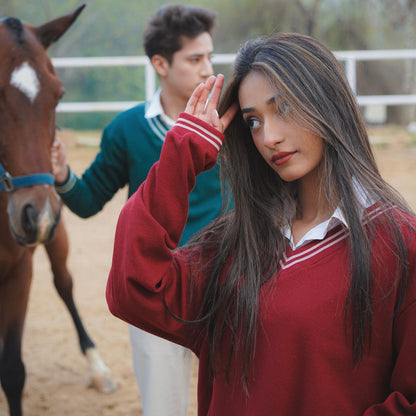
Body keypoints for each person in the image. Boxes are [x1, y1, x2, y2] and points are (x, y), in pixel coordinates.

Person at [106, 32, 416, 415]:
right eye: (253, 121)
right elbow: (133, 289)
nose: (269, 137)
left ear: (327, 102)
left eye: (283, 107)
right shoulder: (234, 241)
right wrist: (181, 155)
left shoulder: (399, 244)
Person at [51, 4, 223, 416]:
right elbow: (89, 199)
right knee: (163, 407)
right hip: (157, 288)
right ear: (160, 64)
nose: (207, 69)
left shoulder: (232, 121)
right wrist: (61, 176)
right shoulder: (126, 129)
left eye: (210, 57)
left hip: (227, 282)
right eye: (195, 59)